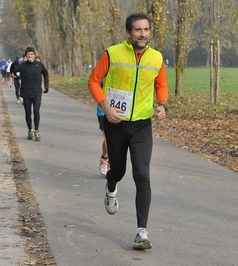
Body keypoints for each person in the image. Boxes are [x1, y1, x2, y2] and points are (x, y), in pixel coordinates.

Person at [88, 13, 168, 250]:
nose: (143, 34)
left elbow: (161, 84)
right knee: (119, 171)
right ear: (128, 33)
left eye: (146, 29)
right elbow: (93, 80)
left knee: (142, 175)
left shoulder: (156, 57)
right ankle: (111, 186)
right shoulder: (112, 53)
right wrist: (105, 107)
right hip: (116, 123)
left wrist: (162, 104)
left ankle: (141, 232)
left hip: (142, 125)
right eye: (137, 30)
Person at [11, 47, 49, 141]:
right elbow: (13, 70)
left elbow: (46, 74)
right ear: (26, 56)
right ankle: (30, 130)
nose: (30, 56)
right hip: (26, 93)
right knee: (28, 113)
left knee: (36, 111)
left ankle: (36, 130)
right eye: (28, 55)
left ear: (34, 55)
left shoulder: (39, 65)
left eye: (31, 54)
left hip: (37, 92)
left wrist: (46, 86)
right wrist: (14, 63)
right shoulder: (23, 66)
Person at [97, 105, 110, 175]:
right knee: (108, 138)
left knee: (117, 139)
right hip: (103, 112)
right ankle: (105, 158)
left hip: (120, 113)